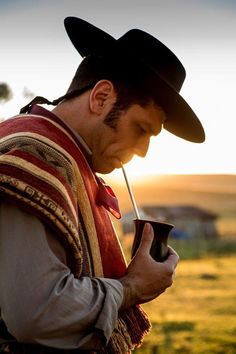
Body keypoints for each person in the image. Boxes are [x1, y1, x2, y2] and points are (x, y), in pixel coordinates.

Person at [0, 17, 204, 354]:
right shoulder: (34, 156)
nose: (143, 151)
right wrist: (132, 288)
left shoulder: (66, 155)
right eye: (141, 129)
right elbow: (36, 314)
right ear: (101, 97)